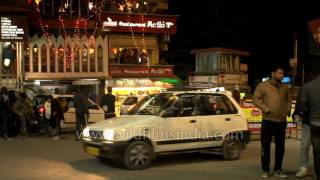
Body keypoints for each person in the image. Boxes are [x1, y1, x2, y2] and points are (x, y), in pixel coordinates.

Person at [253, 65, 291, 178]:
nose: (282, 75)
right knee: (265, 146)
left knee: (280, 147)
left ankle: (278, 170)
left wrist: (287, 110)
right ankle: (265, 170)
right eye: (279, 73)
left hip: (281, 121)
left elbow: (289, 100)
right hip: (268, 121)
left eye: (283, 73)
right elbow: (255, 99)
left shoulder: (285, 87)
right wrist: (266, 109)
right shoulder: (263, 86)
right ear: (273, 73)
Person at [299, 68, 320, 180]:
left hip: (312, 122)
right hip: (309, 122)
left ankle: (316, 172)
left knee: (314, 149)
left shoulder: (307, 87)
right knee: (306, 146)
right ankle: (304, 167)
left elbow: (302, 106)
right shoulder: (306, 87)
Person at [293, 88, 312, 178]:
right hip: (307, 122)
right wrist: (296, 114)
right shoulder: (306, 88)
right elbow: (299, 104)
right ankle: (303, 168)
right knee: (304, 146)